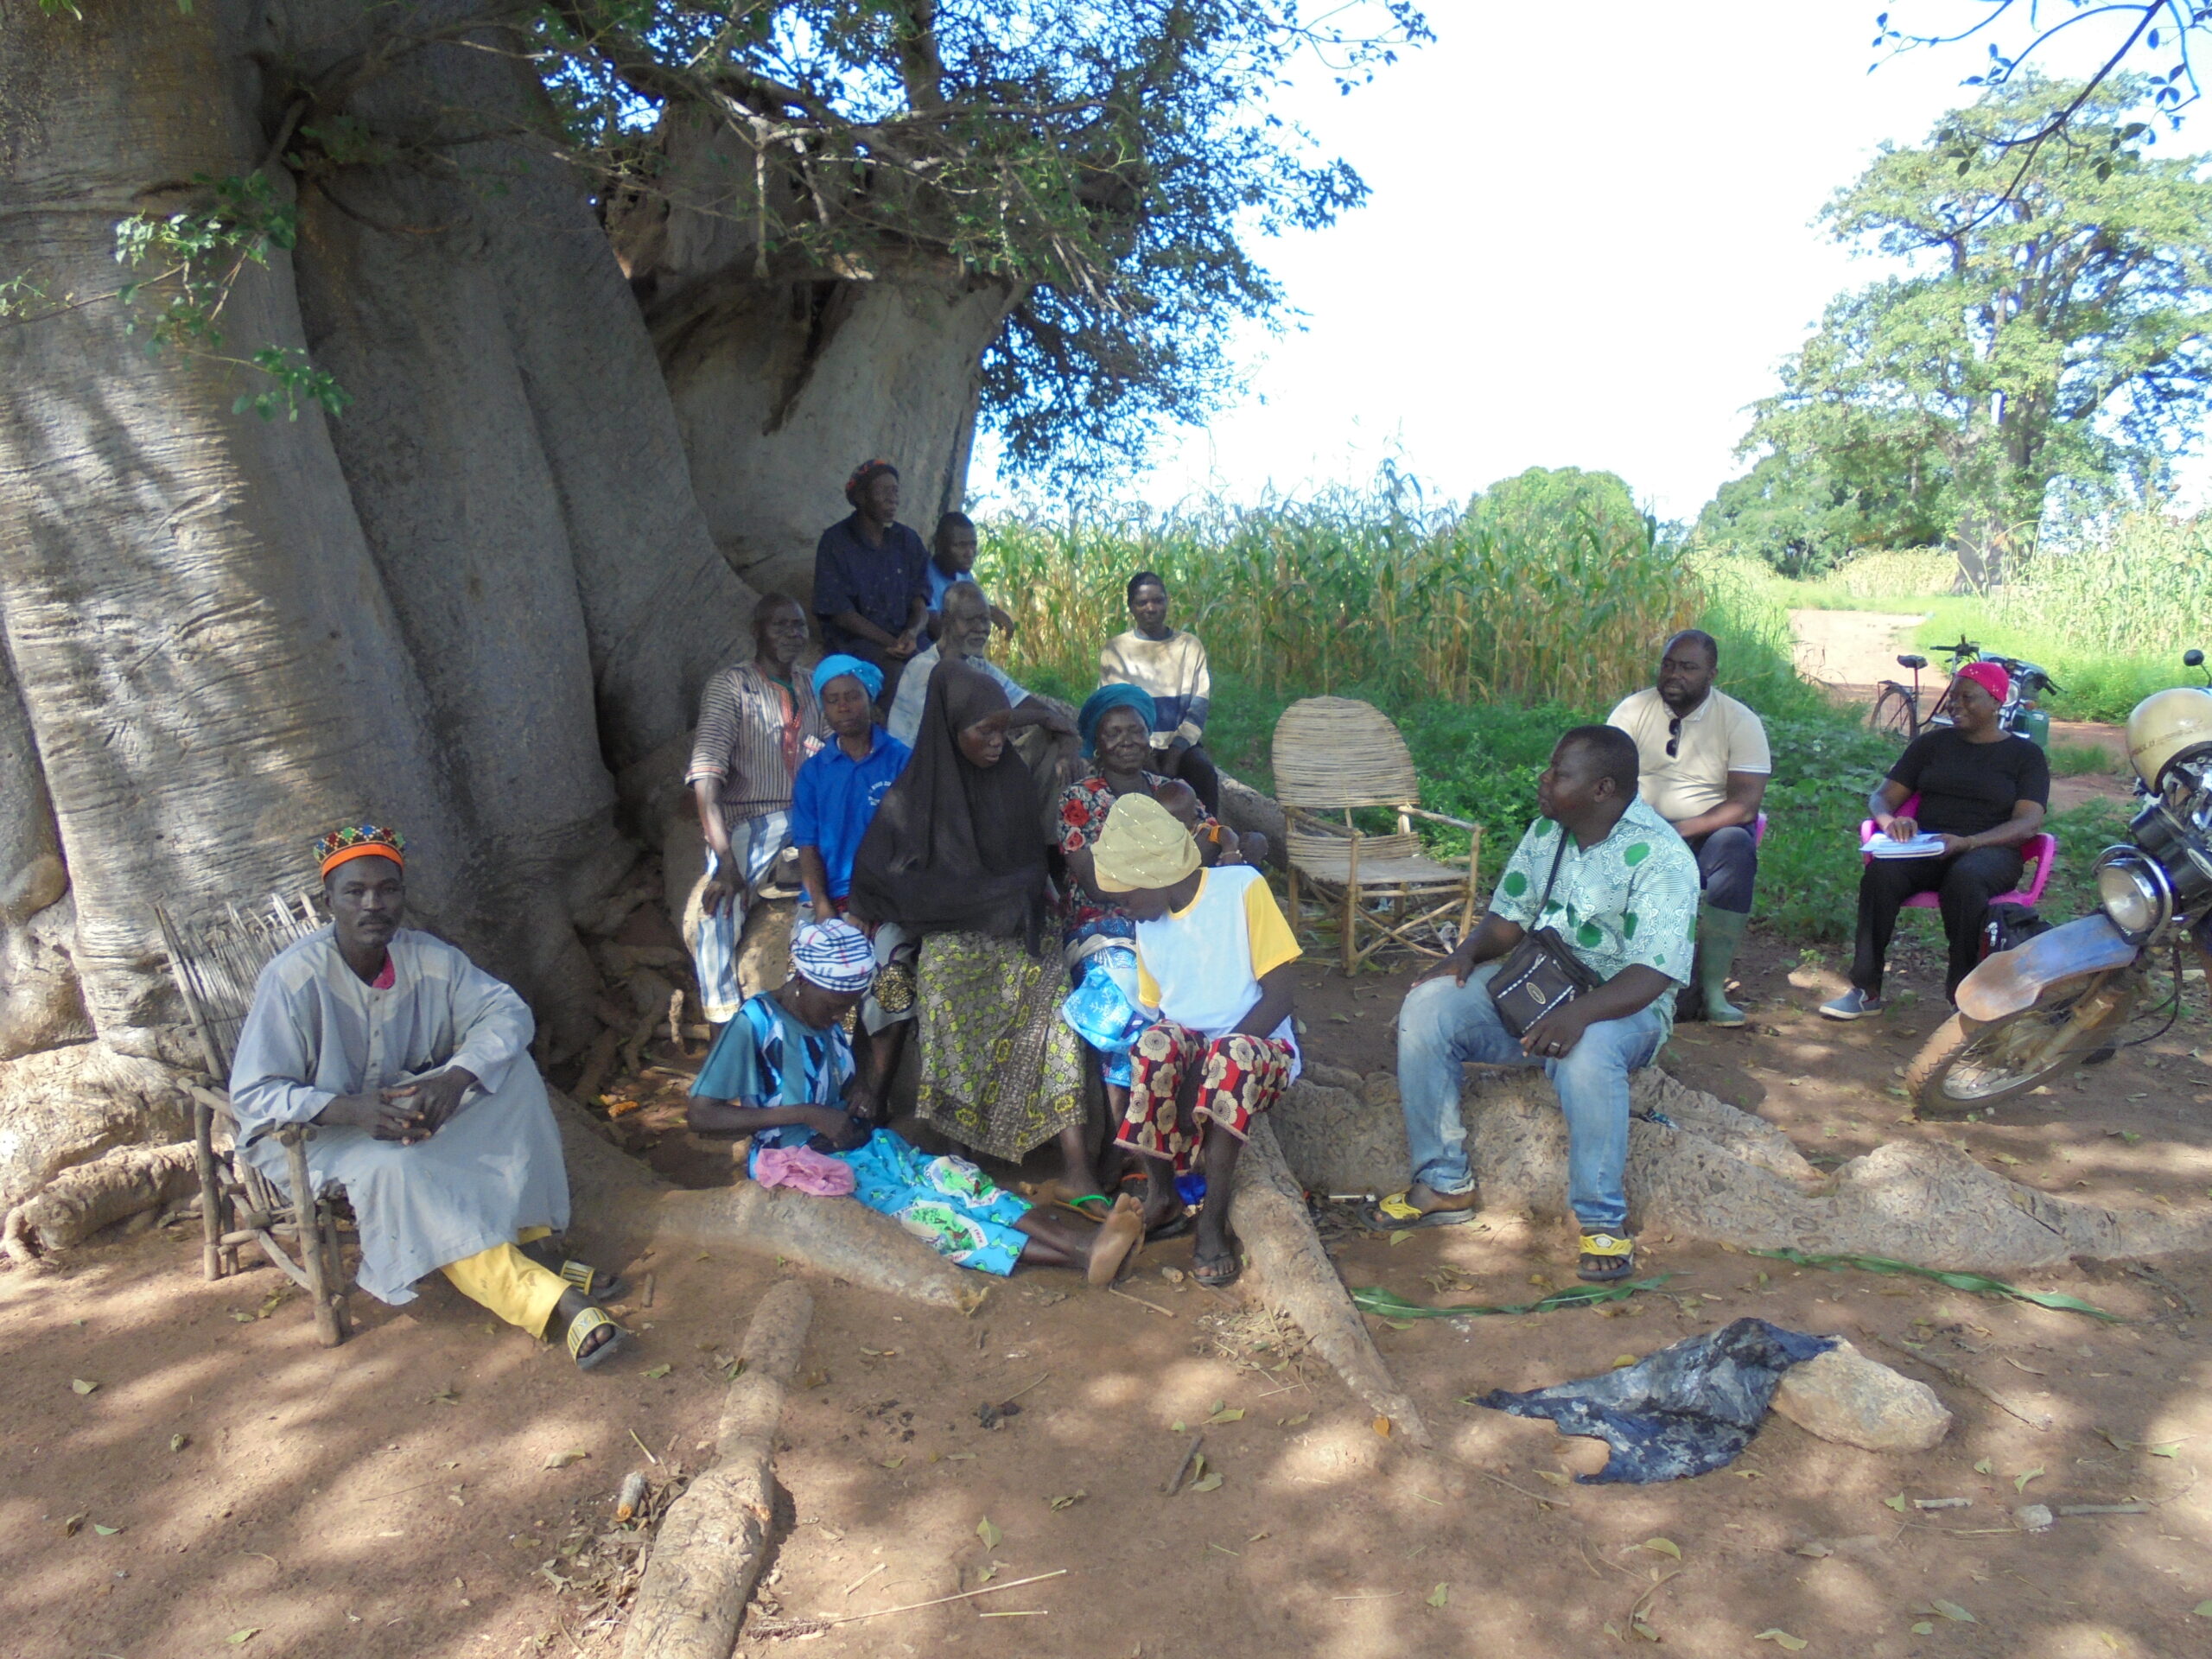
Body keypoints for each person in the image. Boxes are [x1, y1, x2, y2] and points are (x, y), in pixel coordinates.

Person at [229, 825, 628, 1370]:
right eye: (355, 892)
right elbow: (254, 1093)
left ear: (402, 895)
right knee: (401, 1172)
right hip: (318, 1134)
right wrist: (353, 1110)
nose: (374, 904)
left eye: (387, 889)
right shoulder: (293, 980)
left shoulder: (430, 958)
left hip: (406, 1110)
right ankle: (556, 1301)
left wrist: (455, 1078)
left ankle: (535, 1250)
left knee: (515, 1080)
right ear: (330, 902)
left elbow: (507, 1014)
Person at [1372, 728, 1698, 1284]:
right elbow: (1508, 921)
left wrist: (1579, 1015)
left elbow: (1653, 973)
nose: (1544, 781)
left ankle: (1602, 1219)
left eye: (1559, 773)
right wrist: (1467, 955)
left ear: (1602, 789)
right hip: (1539, 991)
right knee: (1429, 1007)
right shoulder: (1550, 830)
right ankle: (1446, 1183)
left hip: (1625, 1008)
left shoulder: (1664, 859)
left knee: (1588, 1049)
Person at [687, 919, 1142, 1284]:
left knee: (957, 1181)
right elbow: (702, 1116)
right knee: (927, 1212)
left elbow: (834, 1090)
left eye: (849, 1004)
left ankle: (1089, 1244)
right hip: (797, 1167)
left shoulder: (824, 1018)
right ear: (804, 979)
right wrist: (807, 1114)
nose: (841, 1014)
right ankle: (1081, 1256)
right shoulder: (757, 1022)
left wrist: (857, 1094)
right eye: (836, 1003)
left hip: (854, 1147)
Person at [848, 660, 1101, 1201]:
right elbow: (882, 880)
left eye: (1002, 730)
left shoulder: (1007, 774)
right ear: (948, 727)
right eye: (983, 731)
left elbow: (1031, 862)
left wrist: (1011, 897)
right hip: (949, 932)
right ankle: (957, 1149)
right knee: (942, 978)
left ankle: (1077, 1164)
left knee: (1052, 994)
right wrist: (979, 900)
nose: (995, 741)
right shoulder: (914, 796)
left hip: (1015, 927)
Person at [1089, 793, 1301, 1288]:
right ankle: (1163, 1195)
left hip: (1258, 1050)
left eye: (1127, 897)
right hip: (1199, 1058)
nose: (1126, 910)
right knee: (1153, 1044)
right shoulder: (1151, 926)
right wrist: (1186, 1074)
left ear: (1159, 872)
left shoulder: (1241, 889)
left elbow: (1280, 997)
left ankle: (1213, 1221)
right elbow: (1163, 1014)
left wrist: (1202, 1074)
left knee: (1229, 1056)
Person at [1821, 660, 2050, 1020]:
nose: (1954, 705)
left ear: (1996, 702)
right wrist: (1891, 822)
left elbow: (2028, 822)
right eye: (1952, 697)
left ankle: (1962, 996)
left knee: (1966, 879)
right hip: (1928, 845)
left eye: (1967, 698)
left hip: (1989, 851)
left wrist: (1970, 842)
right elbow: (1881, 798)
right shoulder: (1932, 745)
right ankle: (1866, 989)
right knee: (1881, 876)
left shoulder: (2025, 756)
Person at [1606, 628, 1770, 1027]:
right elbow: (1606, 779)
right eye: (1667, 664)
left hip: (1705, 834)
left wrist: (1680, 830)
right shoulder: (1632, 711)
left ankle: (1713, 990)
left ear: (1712, 673)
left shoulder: (1738, 721)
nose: (1673, 675)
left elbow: (1746, 805)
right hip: (1638, 828)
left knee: (1735, 849)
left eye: (1688, 667)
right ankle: (1606, 971)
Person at [684, 594, 826, 1022]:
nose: (791, 634)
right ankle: (722, 1026)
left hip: (811, 817)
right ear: (757, 631)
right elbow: (706, 777)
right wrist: (725, 862)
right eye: (779, 625)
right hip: (754, 822)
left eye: (799, 625)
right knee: (715, 918)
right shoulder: (730, 686)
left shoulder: (815, 686)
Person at [790, 652, 915, 1122]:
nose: (843, 707)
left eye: (852, 697)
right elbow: (808, 847)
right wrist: (822, 907)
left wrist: (869, 905)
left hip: (886, 900)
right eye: (833, 700)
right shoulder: (815, 773)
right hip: (828, 902)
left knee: (891, 979)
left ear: (870, 699)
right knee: (812, 984)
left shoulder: (901, 761)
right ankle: (831, 1093)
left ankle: (874, 1092)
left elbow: (908, 848)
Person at [887, 581, 1079, 835]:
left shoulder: (978, 666)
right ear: (946, 620)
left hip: (968, 766)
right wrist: (1042, 717)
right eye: (970, 620)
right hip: (927, 776)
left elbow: (1034, 708)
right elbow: (967, 725)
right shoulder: (925, 669)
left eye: (985, 620)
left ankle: (1050, 847)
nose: (981, 629)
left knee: (1047, 744)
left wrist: (1066, 741)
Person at [1098, 571, 1220, 814]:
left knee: (1203, 772)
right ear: (1131, 607)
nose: (1151, 608)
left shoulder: (1189, 645)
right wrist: (1147, 754)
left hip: (1181, 744)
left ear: (1167, 601)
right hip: (1132, 743)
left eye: (1158, 600)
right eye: (1142, 602)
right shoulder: (1117, 649)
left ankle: (1210, 840)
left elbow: (1199, 703)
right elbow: (1115, 707)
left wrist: (1175, 752)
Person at [812, 458, 931, 704]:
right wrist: (890, 643)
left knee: (941, 670)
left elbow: (921, 600)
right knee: (897, 678)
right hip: (860, 642)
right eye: (883, 491)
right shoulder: (836, 542)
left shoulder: (907, 540)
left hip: (904, 638)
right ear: (861, 497)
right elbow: (841, 613)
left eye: (895, 491)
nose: (892, 498)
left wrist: (911, 632)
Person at [922, 512, 1015, 639]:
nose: (970, 553)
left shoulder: (964, 576)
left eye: (973, 544)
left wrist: (991, 611)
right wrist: (986, 613)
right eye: (961, 545)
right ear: (939, 544)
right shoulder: (925, 576)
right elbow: (937, 630)